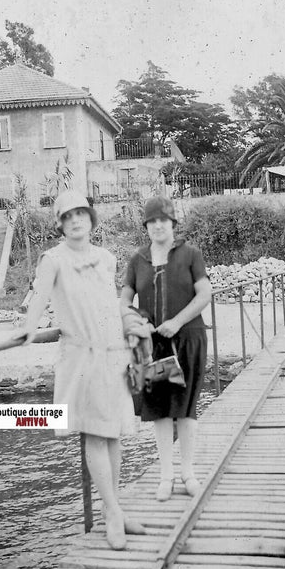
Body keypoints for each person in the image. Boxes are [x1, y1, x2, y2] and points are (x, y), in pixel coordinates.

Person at [16, 189, 150, 550]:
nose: (75, 220)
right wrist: (29, 327)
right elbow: (40, 298)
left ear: (91, 218)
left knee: (114, 434)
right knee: (94, 434)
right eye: (67, 216)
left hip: (113, 353)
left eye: (81, 214)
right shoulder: (53, 259)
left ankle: (114, 511)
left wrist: (130, 331)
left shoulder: (105, 258)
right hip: (80, 358)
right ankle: (113, 515)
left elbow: (110, 305)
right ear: (60, 224)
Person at [120, 195, 212, 501]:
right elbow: (123, 301)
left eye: (164, 220)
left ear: (173, 223)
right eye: (152, 221)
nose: (158, 226)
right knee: (159, 410)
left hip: (189, 338)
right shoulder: (137, 260)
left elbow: (204, 295)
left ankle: (188, 473)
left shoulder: (190, 255)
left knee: (186, 409)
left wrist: (177, 320)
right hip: (154, 346)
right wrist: (138, 322)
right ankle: (166, 476)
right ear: (146, 226)